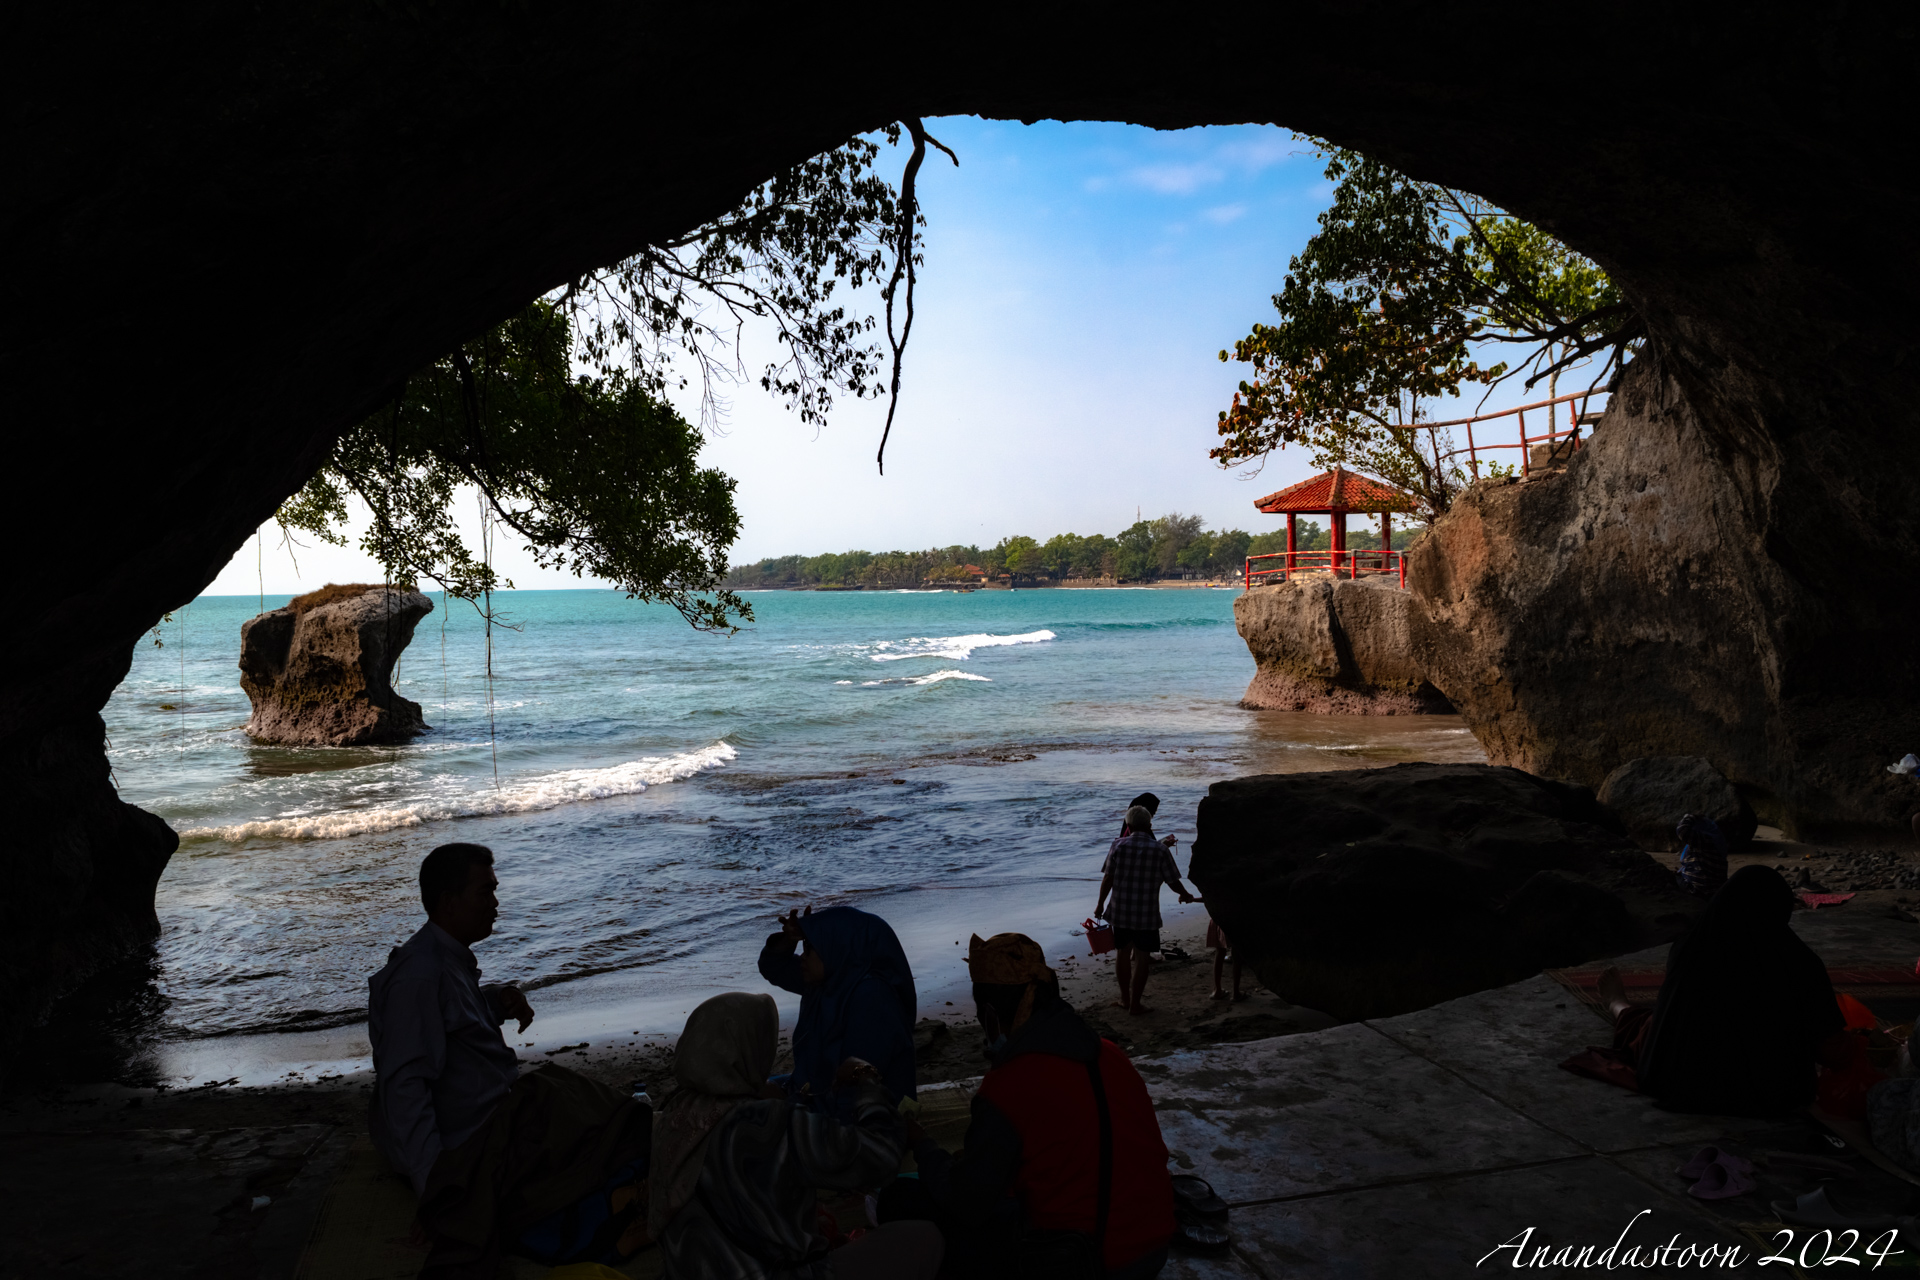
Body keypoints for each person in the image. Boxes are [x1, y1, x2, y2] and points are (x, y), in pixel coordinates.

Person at [368, 843, 651, 1278]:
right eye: (485, 893)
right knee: (591, 1113)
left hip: (493, 1115)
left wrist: (495, 1002)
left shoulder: (442, 959)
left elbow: (450, 1021)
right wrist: (438, 1195)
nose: (496, 904)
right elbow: (405, 1088)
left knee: (588, 1110)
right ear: (448, 903)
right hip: (476, 1137)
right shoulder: (418, 979)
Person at [899, 933, 1174, 1279]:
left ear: (990, 1015)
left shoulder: (1008, 1086)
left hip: (1083, 1260)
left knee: (906, 1201)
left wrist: (923, 1146)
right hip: (1153, 1247)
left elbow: (967, 1202)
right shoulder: (1111, 1054)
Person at [654, 991, 942, 1280]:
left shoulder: (670, 1119)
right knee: (923, 1237)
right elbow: (879, 1157)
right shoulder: (768, 1123)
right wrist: (866, 1084)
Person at [1595, 865, 1849, 1114]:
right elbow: (1831, 1054)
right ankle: (1618, 1004)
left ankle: (1618, 1005)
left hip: (1678, 1082)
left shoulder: (1689, 946)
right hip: (1770, 1094)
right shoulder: (1800, 962)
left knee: (1653, 1026)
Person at [758, 904, 917, 1117]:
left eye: (811, 949)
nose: (803, 957)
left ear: (838, 947)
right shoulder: (830, 981)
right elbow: (773, 967)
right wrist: (789, 940)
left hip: (862, 1114)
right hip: (816, 1090)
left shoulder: (871, 998)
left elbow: (856, 1091)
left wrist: (789, 1103)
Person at [1095, 805, 1195, 1015]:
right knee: (1142, 958)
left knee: (1122, 955)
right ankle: (1135, 1004)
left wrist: (1100, 904)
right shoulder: (1160, 850)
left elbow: (1108, 878)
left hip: (1120, 912)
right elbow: (1173, 881)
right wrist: (1185, 894)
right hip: (1146, 915)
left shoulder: (1117, 846)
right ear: (1150, 826)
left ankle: (1124, 999)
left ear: (1128, 826)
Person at [1674, 812, 1729, 897]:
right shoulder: (1717, 840)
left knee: (1673, 877)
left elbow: (1682, 831)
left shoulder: (1705, 840)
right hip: (1717, 889)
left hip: (1699, 889)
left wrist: (1689, 817)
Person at [1206, 917, 1243, 1002]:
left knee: (1220, 952)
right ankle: (1236, 993)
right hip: (1233, 919)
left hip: (1218, 918)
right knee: (1237, 955)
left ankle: (1217, 990)